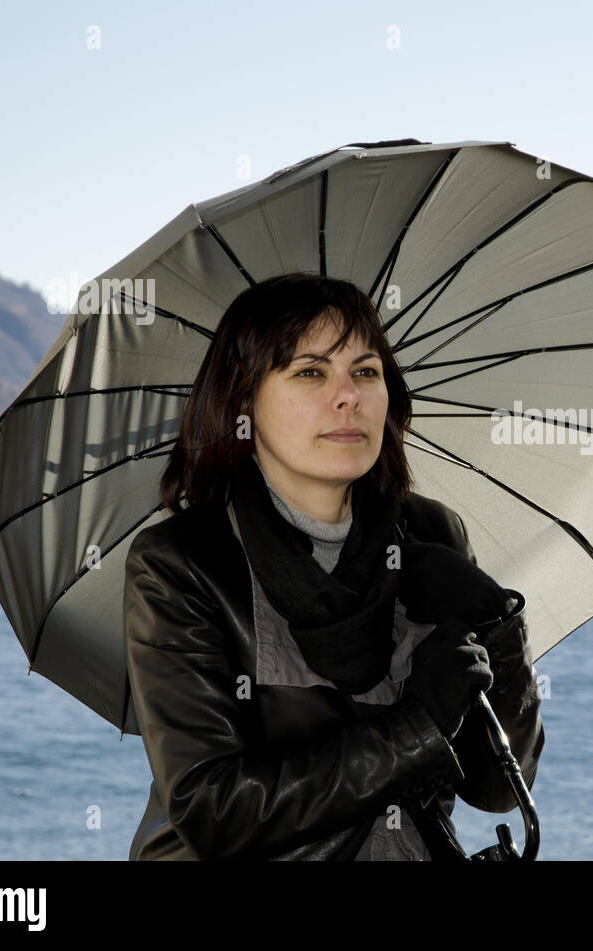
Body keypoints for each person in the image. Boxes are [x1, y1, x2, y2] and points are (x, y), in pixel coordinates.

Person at [122, 272, 544, 860]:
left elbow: (499, 789)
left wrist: (497, 625)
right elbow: (212, 808)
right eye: (311, 372)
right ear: (243, 398)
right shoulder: (184, 563)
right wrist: (419, 723)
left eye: (365, 372)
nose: (348, 395)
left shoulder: (432, 534)